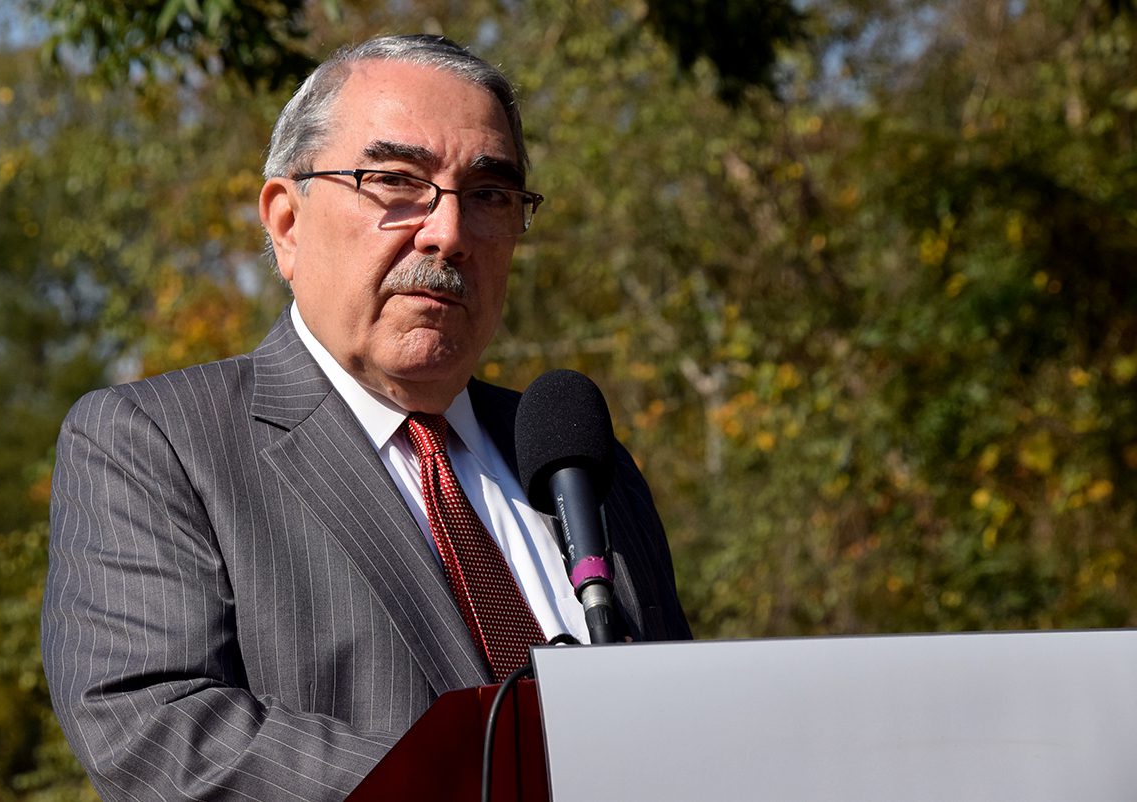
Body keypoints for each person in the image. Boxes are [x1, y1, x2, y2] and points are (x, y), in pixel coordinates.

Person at [42, 33, 690, 800]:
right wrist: (491, 783)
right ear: (286, 223)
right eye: (395, 181)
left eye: (488, 195)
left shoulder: (577, 458)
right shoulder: (157, 444)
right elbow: (157, 727)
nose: (448, 232)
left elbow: (682, 719)